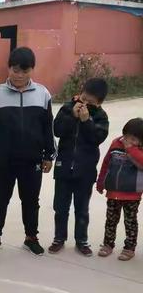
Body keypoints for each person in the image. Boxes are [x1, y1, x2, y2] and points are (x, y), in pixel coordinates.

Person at [0, 47, 55, 256]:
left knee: (31, 201)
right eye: (15, 70)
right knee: (0, 200)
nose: (19, 75)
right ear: (9, 68)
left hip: (32, 159)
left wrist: (48, 155)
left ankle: (31, 237)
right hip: (3, 159)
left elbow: (47, 126)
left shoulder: (43, 94)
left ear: (32, 70)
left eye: (25, 71)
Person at [49, 78, 109, 256]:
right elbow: (57, 130)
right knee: (60, 207)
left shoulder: (101, 116)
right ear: (80, 92)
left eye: (91, 102)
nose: (85, 103)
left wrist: (86, 121)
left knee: (82, 209)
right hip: (64, 168)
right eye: (84, 98)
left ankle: (81, 240)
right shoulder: (68, 107)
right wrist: (72, 117)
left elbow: (97, 139)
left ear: (99, 102)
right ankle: (59, 238)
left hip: (85, 171)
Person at [96, 118, 143, 261]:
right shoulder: (116, 143)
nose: (128, 140)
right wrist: (101, 181)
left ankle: (129, 248)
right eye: (127, 136)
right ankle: (108, 244)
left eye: (133, 139)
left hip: (132, 194)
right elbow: (106, 163)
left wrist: (131, 149)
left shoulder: (139, 150)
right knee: (111, 220)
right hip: (113, 192)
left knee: (130, 221)